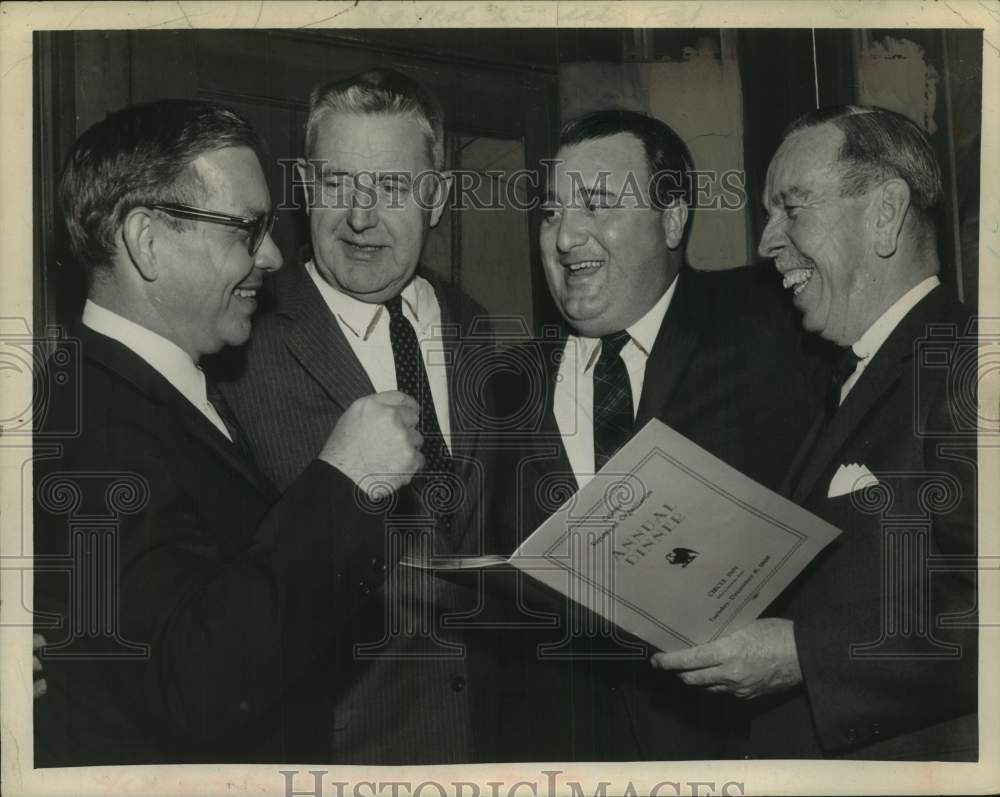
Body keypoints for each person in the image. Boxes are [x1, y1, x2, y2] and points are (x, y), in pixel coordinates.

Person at [32, 99, 424, 766]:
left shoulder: (149, 393)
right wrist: (343, 481)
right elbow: (195, 682)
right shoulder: (101, 426)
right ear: (146, 240)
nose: (272, 255)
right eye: (245, 229)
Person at [491, 108, 827, 761]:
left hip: (738, 752)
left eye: (596, 205)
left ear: (672, 218)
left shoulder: (779, 324)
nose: (565, 238)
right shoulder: (506, 385)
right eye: (553, 212)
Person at [652, 105, 977, 760]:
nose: (768, 241)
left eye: (792, 209)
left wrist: (802, 652)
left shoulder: (970, 365)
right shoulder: (842, 379)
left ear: (885, 213)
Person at [212, 69, 499, 763]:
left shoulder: (475, 327)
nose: (361, 217)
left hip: (490, 747)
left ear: (437, 198)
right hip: (330, 755)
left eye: (393, 187)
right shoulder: (237, 343)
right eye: (338, 184)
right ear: (307, 188)